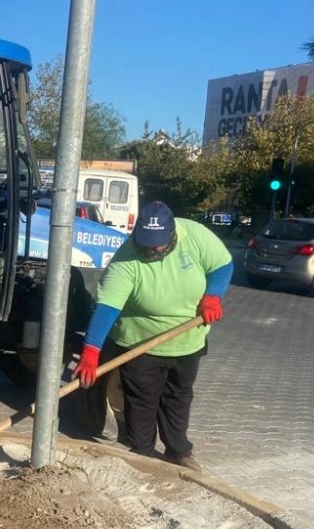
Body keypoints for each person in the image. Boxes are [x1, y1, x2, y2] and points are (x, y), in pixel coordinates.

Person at [73, 200, 233, 471]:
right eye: (146, 243)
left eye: (158, 243)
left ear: (173, 232)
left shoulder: (193, 235)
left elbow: (222, 265)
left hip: (187, 340)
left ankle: (178, 450)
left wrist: (213, 295)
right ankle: (142, 454)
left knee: (179, 395)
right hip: (140, 344)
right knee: (142, 401)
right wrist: (91, 350)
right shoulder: (125, 260)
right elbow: (107, 308)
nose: (152, 249)